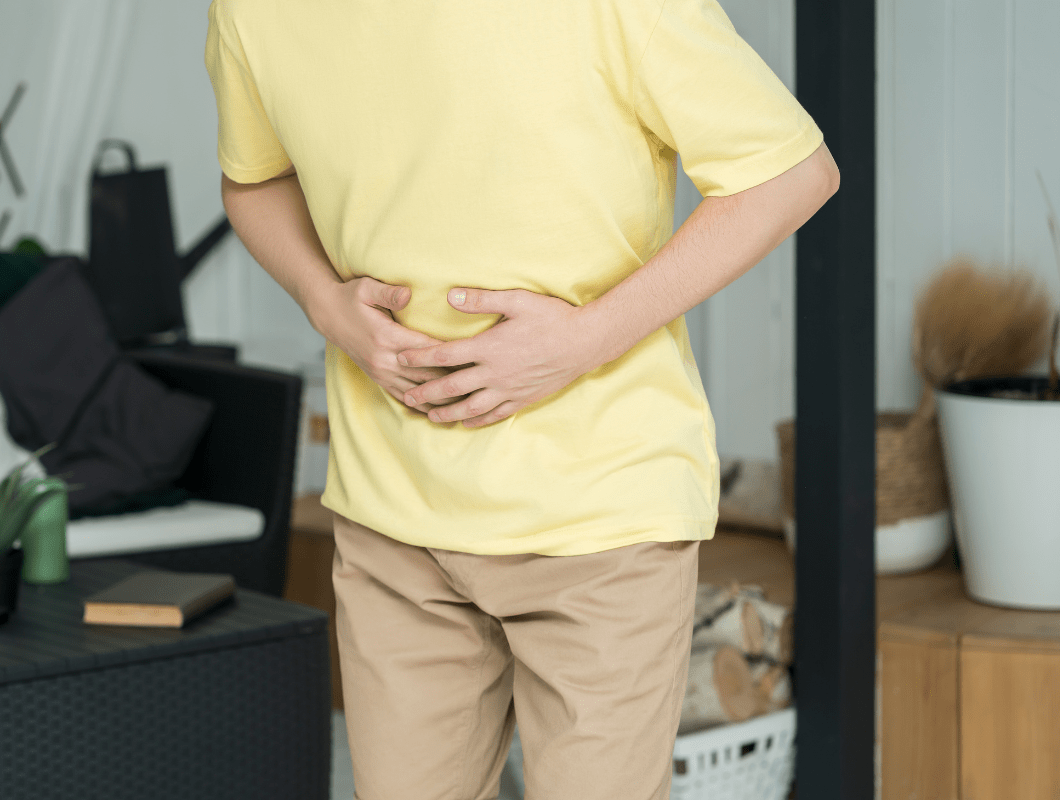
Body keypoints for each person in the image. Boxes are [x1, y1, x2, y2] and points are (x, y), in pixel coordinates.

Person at [205, 0, 838, 796]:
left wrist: (583, 340)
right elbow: (253, 181)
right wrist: (321, 299)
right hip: (392, 511)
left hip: (598, 514)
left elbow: (791, 173)